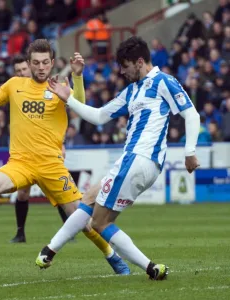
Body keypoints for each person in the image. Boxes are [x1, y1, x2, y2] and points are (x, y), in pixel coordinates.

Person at [0, 39, 130, 275]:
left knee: (84, 221)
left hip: (52, 166)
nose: (41, 67)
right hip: (20, 164)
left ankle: (112, 256)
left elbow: (81, 108)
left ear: (52, 63)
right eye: (36, 63)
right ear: (29, 64)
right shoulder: (14, 85)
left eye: (45, 62)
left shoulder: (59, 86)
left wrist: (77, 77)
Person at [36, 36, 201, 280]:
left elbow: (191, 114)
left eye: (125, 66)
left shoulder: (163, 81)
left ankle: (150, 267)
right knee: (91, 196)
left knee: (99, 223)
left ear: (140, 62)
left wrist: (189, 152)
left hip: (138, 158)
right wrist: (67, 97)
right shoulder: (131, 92)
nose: (122, 72)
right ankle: (49, 251)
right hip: (138, 163)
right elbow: (100, 116)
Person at [10, 54, 70, 243]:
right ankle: (20, 233)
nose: (21, 73)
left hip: (49, 150)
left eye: (23, 69)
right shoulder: (15, 89)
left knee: (58, 191)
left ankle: (68, 231)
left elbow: (57, 117)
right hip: (25, 151)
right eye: (17, 71)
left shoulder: (49, 86)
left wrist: (61, 143)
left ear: (30, 67)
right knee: (23, 193)